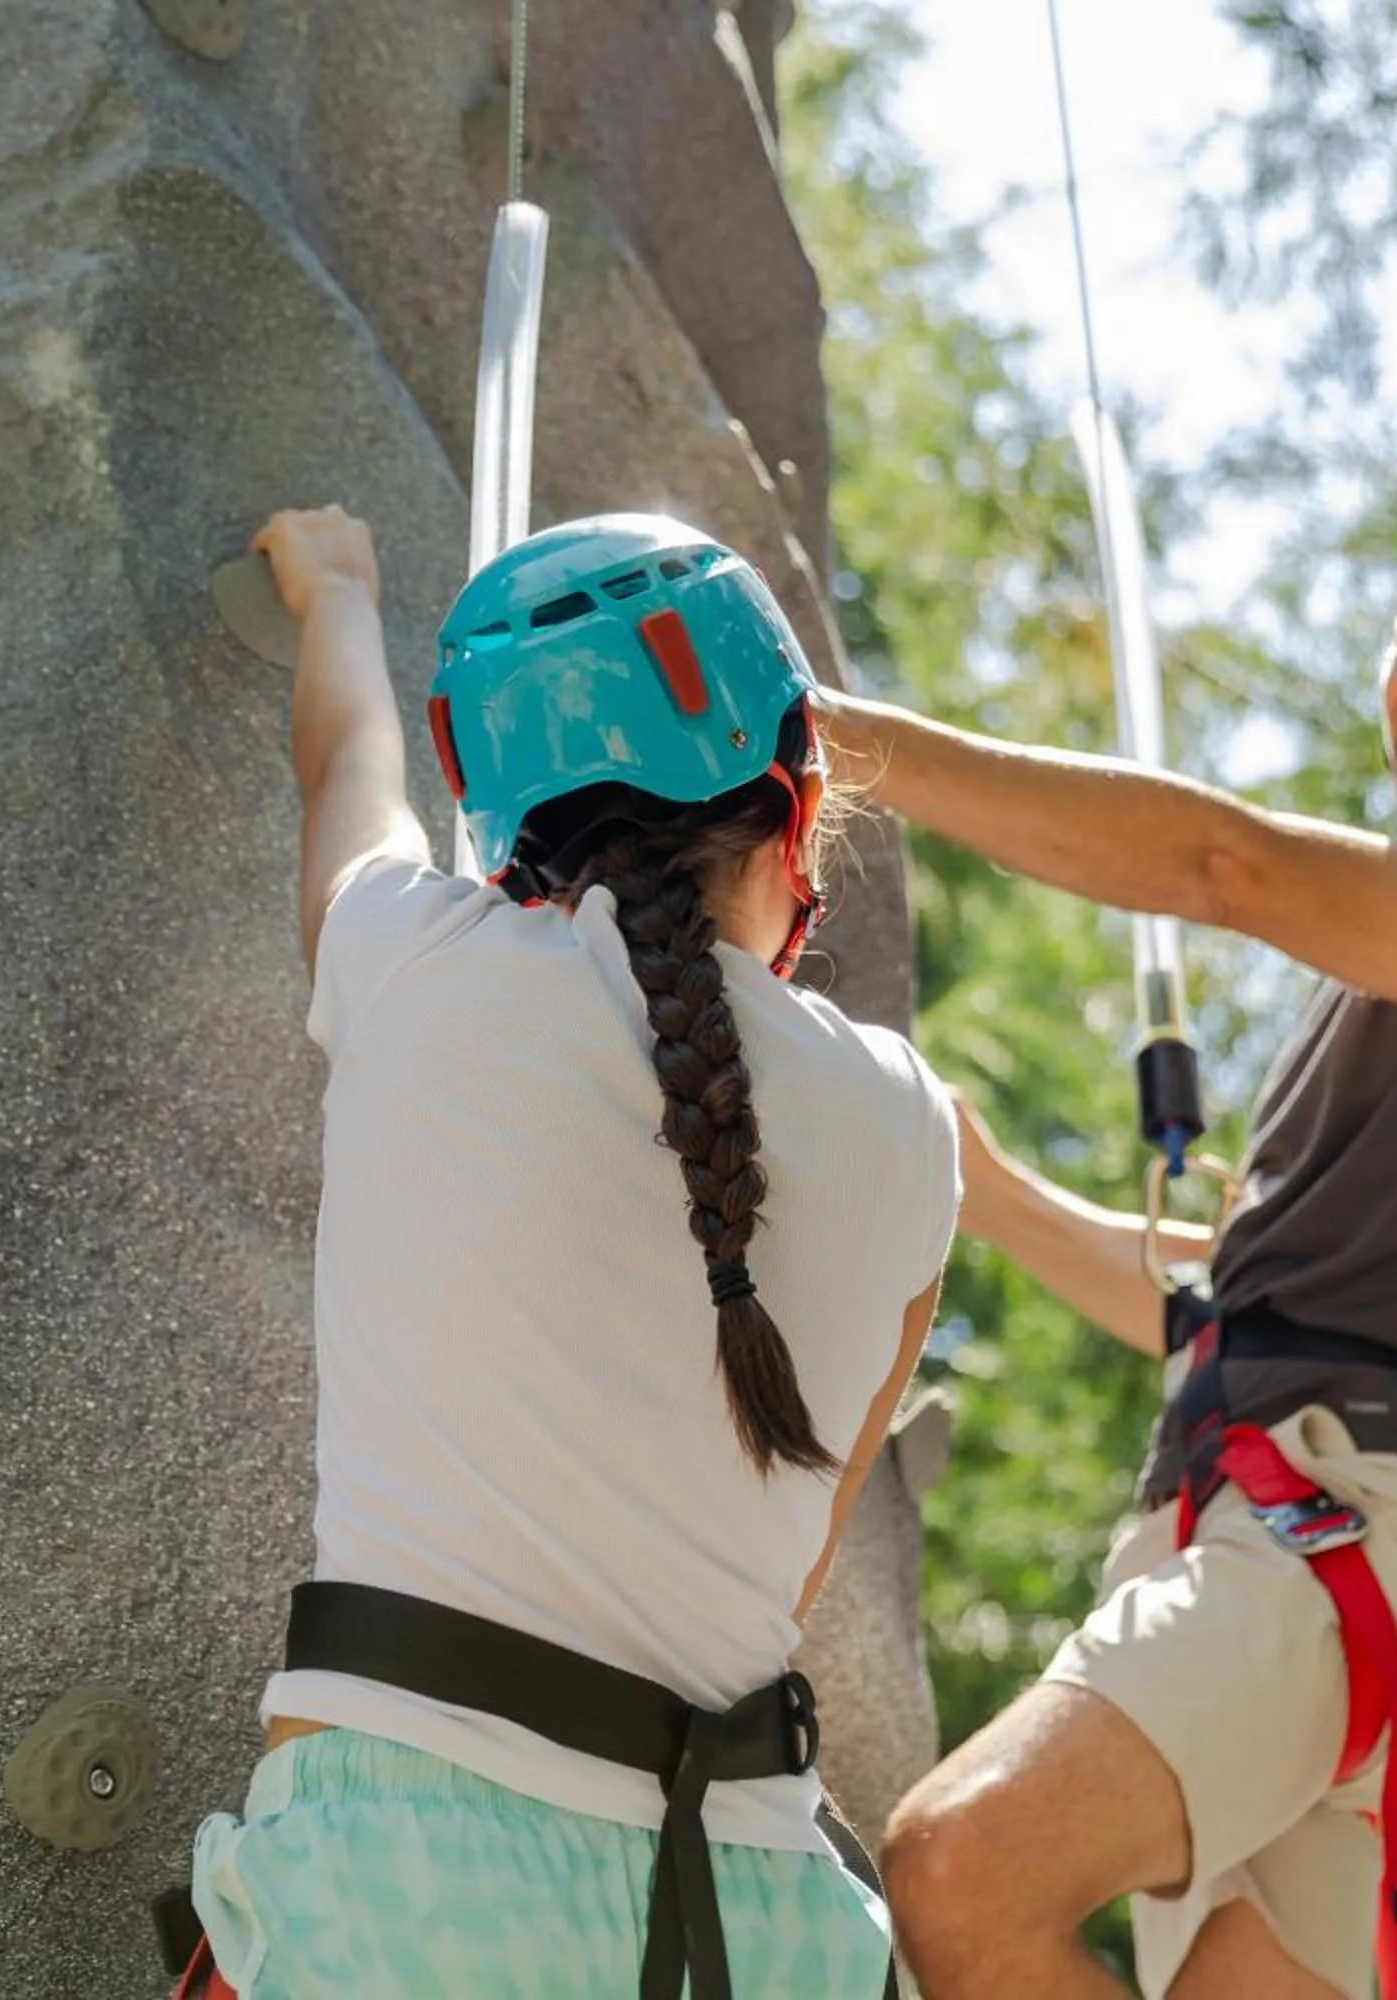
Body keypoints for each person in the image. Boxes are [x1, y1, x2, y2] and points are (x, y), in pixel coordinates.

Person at [847, 451, 1397, 2000]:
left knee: (966, 1863)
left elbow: (1221, 864)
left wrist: (841, 745)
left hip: (1352, 1521)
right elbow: (1224, 1311)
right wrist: (991, 1187)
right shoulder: (1394, 983)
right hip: (1274, 1512)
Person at [178, 506, 959, 2000]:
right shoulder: (914, 1130)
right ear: (795, 808)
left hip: (400, 1902)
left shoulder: (412, 963)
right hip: (763, 1927)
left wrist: (338, 585)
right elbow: (796, 1538)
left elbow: (344, 770)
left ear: (512, 839)